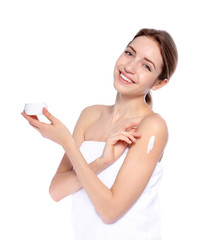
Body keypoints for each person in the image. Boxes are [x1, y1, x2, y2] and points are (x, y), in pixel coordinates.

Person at [22, 28, 178, 240]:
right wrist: (102, 161)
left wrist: (67, 142)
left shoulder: (152, 127)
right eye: (129, 53)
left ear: (159, 83)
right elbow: (56, 191)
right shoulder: (90, 115)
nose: (130, 67)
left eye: (146, 66)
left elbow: (110, 211)